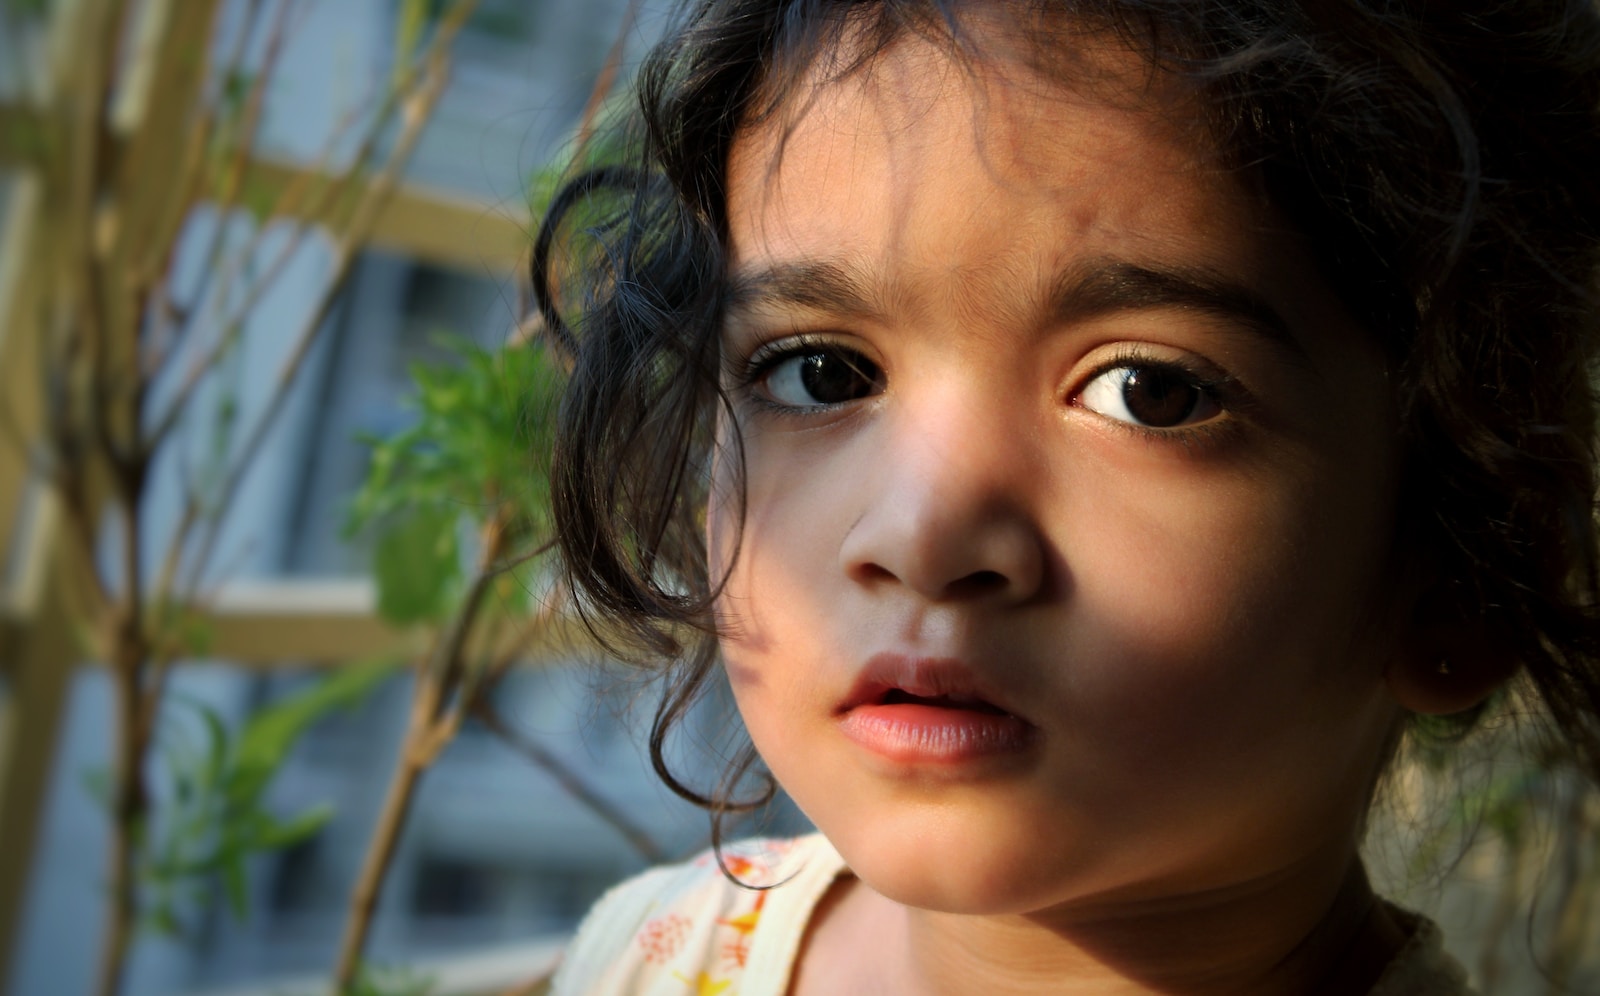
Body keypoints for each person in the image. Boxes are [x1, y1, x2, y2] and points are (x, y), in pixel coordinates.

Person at [530, 1, 1600, 992]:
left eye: (1152, 393)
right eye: (819, 373)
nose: (921, 533)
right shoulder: (652, 953)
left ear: (1468, 562)